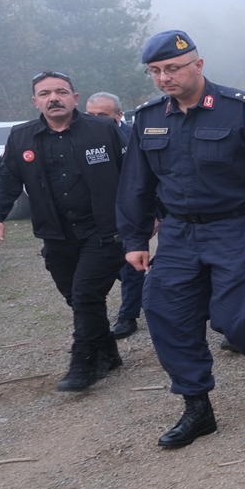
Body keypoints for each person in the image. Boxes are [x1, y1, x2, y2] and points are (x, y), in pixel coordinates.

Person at [117, 30, 245, 449]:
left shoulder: (242, 110)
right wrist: (135, 238)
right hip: (179, 233)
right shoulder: (148, 118)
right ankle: (197, 407)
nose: (165, 77)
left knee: (235, 321)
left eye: (173, 68)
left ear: (198, 66)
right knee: (166, 314)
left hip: (236, 229)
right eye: (156, 71)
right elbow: (135, 186)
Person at [0, 72, 127, 391]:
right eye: (45, 93)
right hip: (57, 235)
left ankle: (83, 364)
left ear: (75, 97)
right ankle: (108, 353)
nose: (54, 98)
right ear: (35, 102)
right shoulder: (22, 138)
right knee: (76, 298)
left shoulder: (103, 129)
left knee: (87, 294)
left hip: (103, 231)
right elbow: (5, 180)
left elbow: (134, 173)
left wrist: (151, 212)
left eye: (61, 91)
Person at [84, 91, 143, 339]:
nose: (95, 119)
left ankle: (128, 316)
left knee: (130, 266)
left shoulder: (134, 139)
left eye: (102, 115)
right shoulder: (77, 138)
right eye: (90, 115)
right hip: (92, 216)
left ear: (118, 116)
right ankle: (150, 292)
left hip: (125, 213)